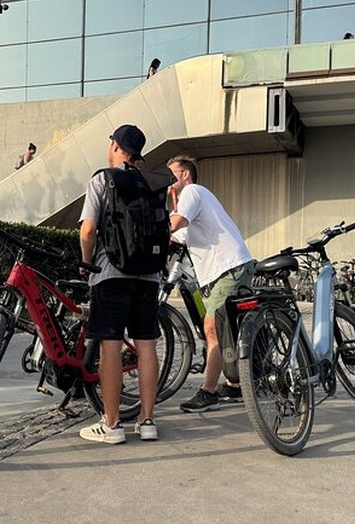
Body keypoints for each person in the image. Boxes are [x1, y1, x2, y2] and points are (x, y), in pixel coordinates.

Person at [78, 124, 160, 444]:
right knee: (147, 346)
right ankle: (148, 420)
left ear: (115, 145)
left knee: (110, 347)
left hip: (111, 273)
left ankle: (112, 425)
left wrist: (87, 263)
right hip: (149, 275)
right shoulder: (151, 183)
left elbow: (88, 230)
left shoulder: (103, 179)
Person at [167, 155, 256, 413]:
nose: (168, 182)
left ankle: (208, 391)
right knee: (225, 327)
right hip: (224, 270)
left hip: (229, 267)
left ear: (185, 175)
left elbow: (175, 225)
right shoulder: (190, 202)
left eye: (171, 175)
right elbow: (178, 236)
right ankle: (234, 384)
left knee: (211, 325)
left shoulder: (193, 191)